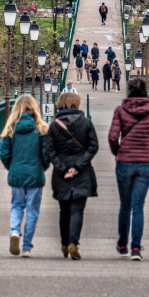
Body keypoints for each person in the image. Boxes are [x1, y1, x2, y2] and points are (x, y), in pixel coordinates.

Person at [108, 76, 149, 260]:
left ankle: (122, 244)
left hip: (124, 162)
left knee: (125, 206)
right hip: (145, 164)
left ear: (128, 91)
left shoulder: (120, 110)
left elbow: (112, 137)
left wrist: (118, 152)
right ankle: (136, 249)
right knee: (138, 206)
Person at [45, 90, 98, 260]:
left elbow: (50, 150)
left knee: (64, 210)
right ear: (76, 104)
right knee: (78, 209)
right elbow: (93, 147)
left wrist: (62, 168)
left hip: (62, 173)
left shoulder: (54, 125)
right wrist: (78, 166)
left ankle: (64, 244)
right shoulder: (86, 122)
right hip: (82, 172)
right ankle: (73, 242)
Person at [0, 94, 50, 257]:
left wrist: (12, 167)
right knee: (32, 210)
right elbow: (46, 154)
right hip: (35, 174)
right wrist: (42, 167)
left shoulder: (11, 128)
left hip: (17, 173)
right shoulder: (41, 129)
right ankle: (27, 246)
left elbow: (4, 153)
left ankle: (14, 231)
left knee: (16, 206)